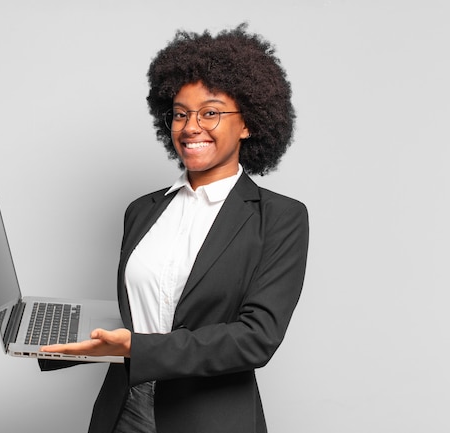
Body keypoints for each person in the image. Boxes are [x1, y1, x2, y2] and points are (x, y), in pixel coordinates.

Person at [40, 23, 309, 433]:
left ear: (249, 123)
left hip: (207, 418)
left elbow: (256, 338)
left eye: (210, 113)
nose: (190, 126)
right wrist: (58, 336)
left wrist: (138, 347)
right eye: (180, 114)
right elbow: (144, 315)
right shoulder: (142, 211)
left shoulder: (279, 218)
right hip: (122, 410)